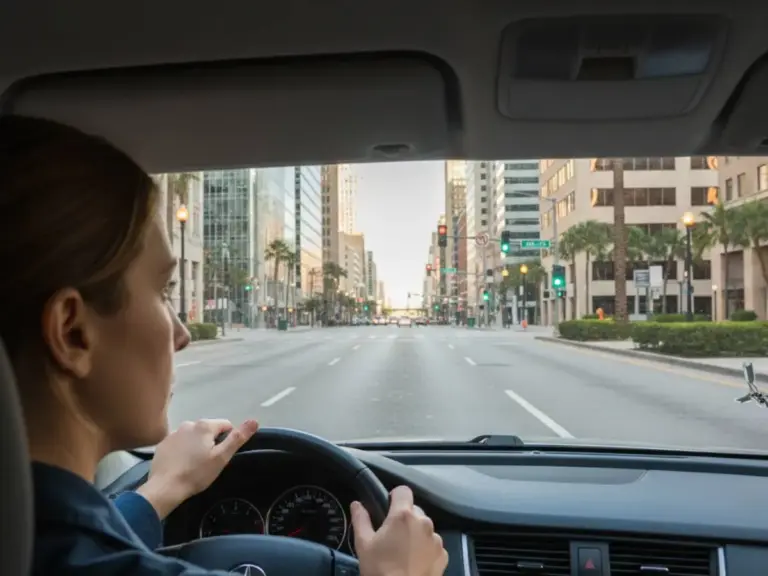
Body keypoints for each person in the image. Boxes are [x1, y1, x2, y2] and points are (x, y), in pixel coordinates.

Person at [0, 114, 449, 576]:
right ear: (73, 332)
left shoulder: (36, 537)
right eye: (163, 292)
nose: (182, 333)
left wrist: (162, 490)